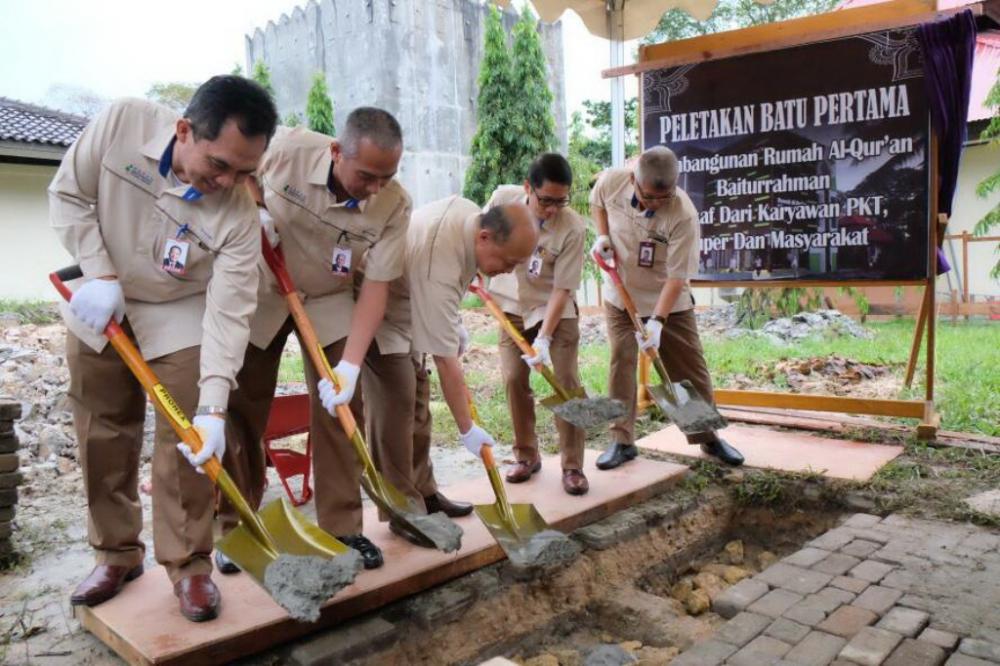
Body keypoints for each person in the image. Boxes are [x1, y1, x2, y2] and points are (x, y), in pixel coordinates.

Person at [51, 75, 277, 621]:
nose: (230, 182)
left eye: (247, 171)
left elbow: (229, 313)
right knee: (102, 427)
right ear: (183, 131)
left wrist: (215, 406)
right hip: (99, 297)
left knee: (189, 436)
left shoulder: (240, 215)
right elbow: (68, 195)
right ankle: (116, 552)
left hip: (178, 309)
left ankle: (190, 565)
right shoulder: (123, 124)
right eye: (221, 165)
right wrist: (101, 275)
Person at [220, 108, 410, 572]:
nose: (375, 188)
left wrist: (349, 366)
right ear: (335, 151)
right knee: (242, 405)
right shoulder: (285, 149)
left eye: (386, 177)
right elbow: (242, 171)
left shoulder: (394, 205)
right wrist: (257, 209)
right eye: (366, 175)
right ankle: (235, 525)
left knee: (343, 407)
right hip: (265, 287)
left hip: (327, 297)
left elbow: (377, 286)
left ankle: (342, 526)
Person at [357, 197, 536, 491]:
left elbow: (450, 288)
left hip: (410, 305)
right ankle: (403, 509)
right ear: (485, 238)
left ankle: (425, 493)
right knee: (397, 402)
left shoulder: (470, 217)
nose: (508, 270)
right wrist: (467, 429)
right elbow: (445, 360)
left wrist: (454, 323)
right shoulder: (438, 260)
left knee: (418, 399)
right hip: (377, 308)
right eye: (508, 262)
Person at [589, 146, 744, 471]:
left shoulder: (683, 213)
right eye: (649, 197)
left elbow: (676, 278)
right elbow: (596, 203)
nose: (657, 204)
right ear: (634, 180)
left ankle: (707, 437)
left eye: (664, 197)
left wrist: (657, 322)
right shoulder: (613, 182)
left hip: (668, 301)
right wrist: (602, 237)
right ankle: (621, 440)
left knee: (689, 369)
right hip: (621, 294)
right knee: (622, 362)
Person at [483, 154, 589, 495]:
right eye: (546, 201)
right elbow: (478, 238)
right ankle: (526, 456)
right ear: (528, 188)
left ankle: (573, 465)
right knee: (514, 379)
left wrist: (543, 338)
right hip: (511, 305)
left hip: (552, 310)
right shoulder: (502, 201)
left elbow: (563, 288)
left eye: (561, 201)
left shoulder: (573, 227)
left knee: (566, 381)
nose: (553, 209)